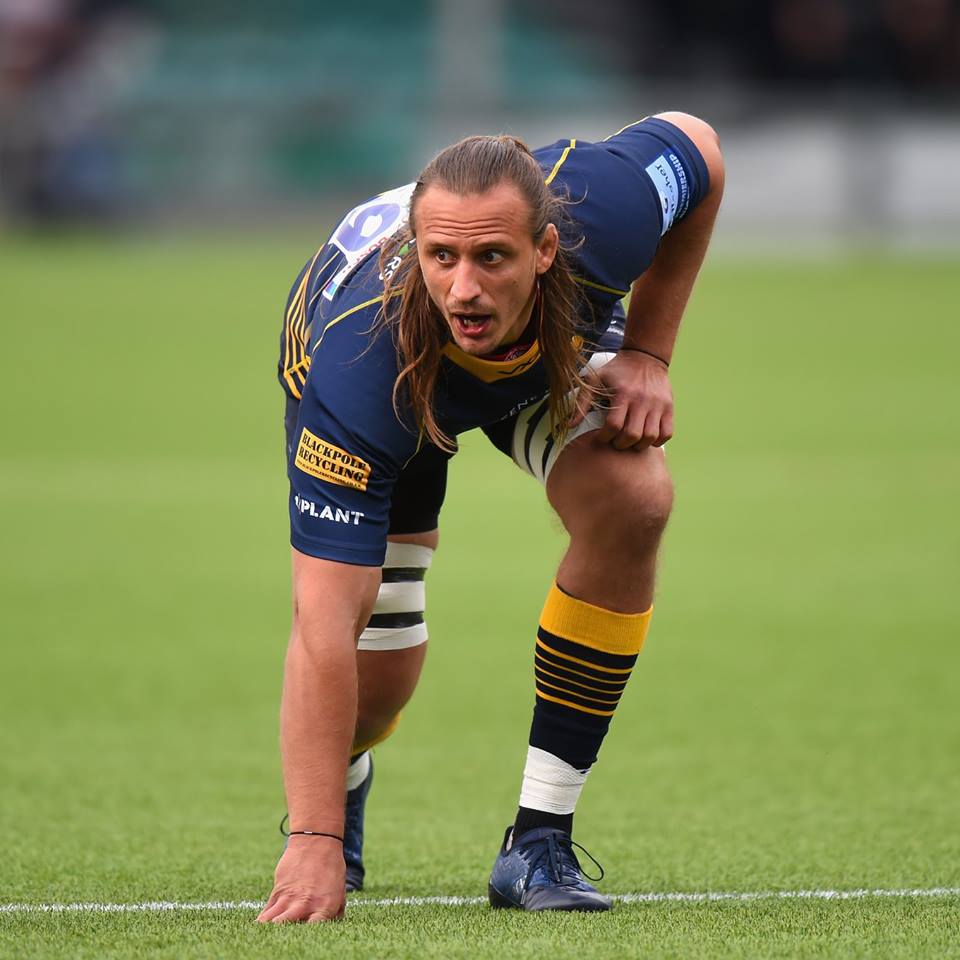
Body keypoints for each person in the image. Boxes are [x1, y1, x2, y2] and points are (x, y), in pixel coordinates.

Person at [257, 112, 724, 923]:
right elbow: (322, 624)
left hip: (544, 344)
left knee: (634, 497)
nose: (465, 288)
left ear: (545, 249)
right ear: (418, 248)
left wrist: (648, 351)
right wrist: (313, 837)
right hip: (405, 380)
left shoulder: (601, 209)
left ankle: (538, 839)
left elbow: (700, 148)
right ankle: (348, 774)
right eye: (442, 257)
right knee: (379, 685)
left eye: (492, 256)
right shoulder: (354, 374)